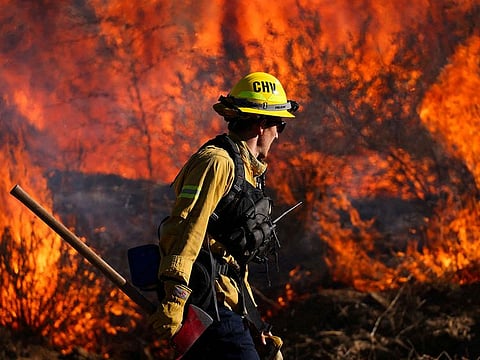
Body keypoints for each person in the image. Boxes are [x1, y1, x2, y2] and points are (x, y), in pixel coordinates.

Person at [148, 72, 299, 359]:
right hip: (206, 307)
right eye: (279, 125)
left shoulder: (247, 172)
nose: (279, 134)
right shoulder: (217, 163)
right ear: (261, 123)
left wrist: (256, 327)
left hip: (227, 304)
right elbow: (185, 230)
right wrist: (176, 296)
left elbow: (230, 264)